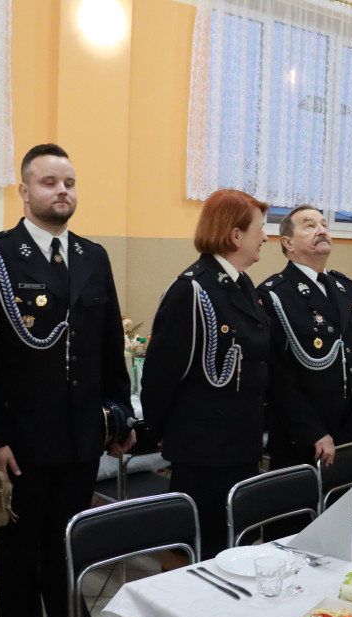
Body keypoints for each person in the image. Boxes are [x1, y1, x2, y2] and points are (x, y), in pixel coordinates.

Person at [0, 144, 134, 617]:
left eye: (70, 182)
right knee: (20, 547)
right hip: (21, 438)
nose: (63, 191)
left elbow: (107, 347)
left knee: (70, 538)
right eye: (50, 182)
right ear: (24, 192)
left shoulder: (92, 256)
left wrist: (119, 416)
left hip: (81, 433)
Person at [141, 189, 271, 559]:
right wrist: (161, 432)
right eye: (260, 229)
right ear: (235, 236)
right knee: (201, 553)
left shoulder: (243, 284)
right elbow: (161, 375)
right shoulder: (193, 290)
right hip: (204, 453)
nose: (264, 236)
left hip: (240, 446)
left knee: (235, 548)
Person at [259, 205, 352, 471]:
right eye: (309, 226)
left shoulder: (349, 290)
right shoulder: (273, 295)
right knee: (301, 511)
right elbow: (277, 378)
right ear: (288, 242)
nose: (321, 230)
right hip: (304, 439)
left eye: (323, 225)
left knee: (345, 509)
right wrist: (312, 431)